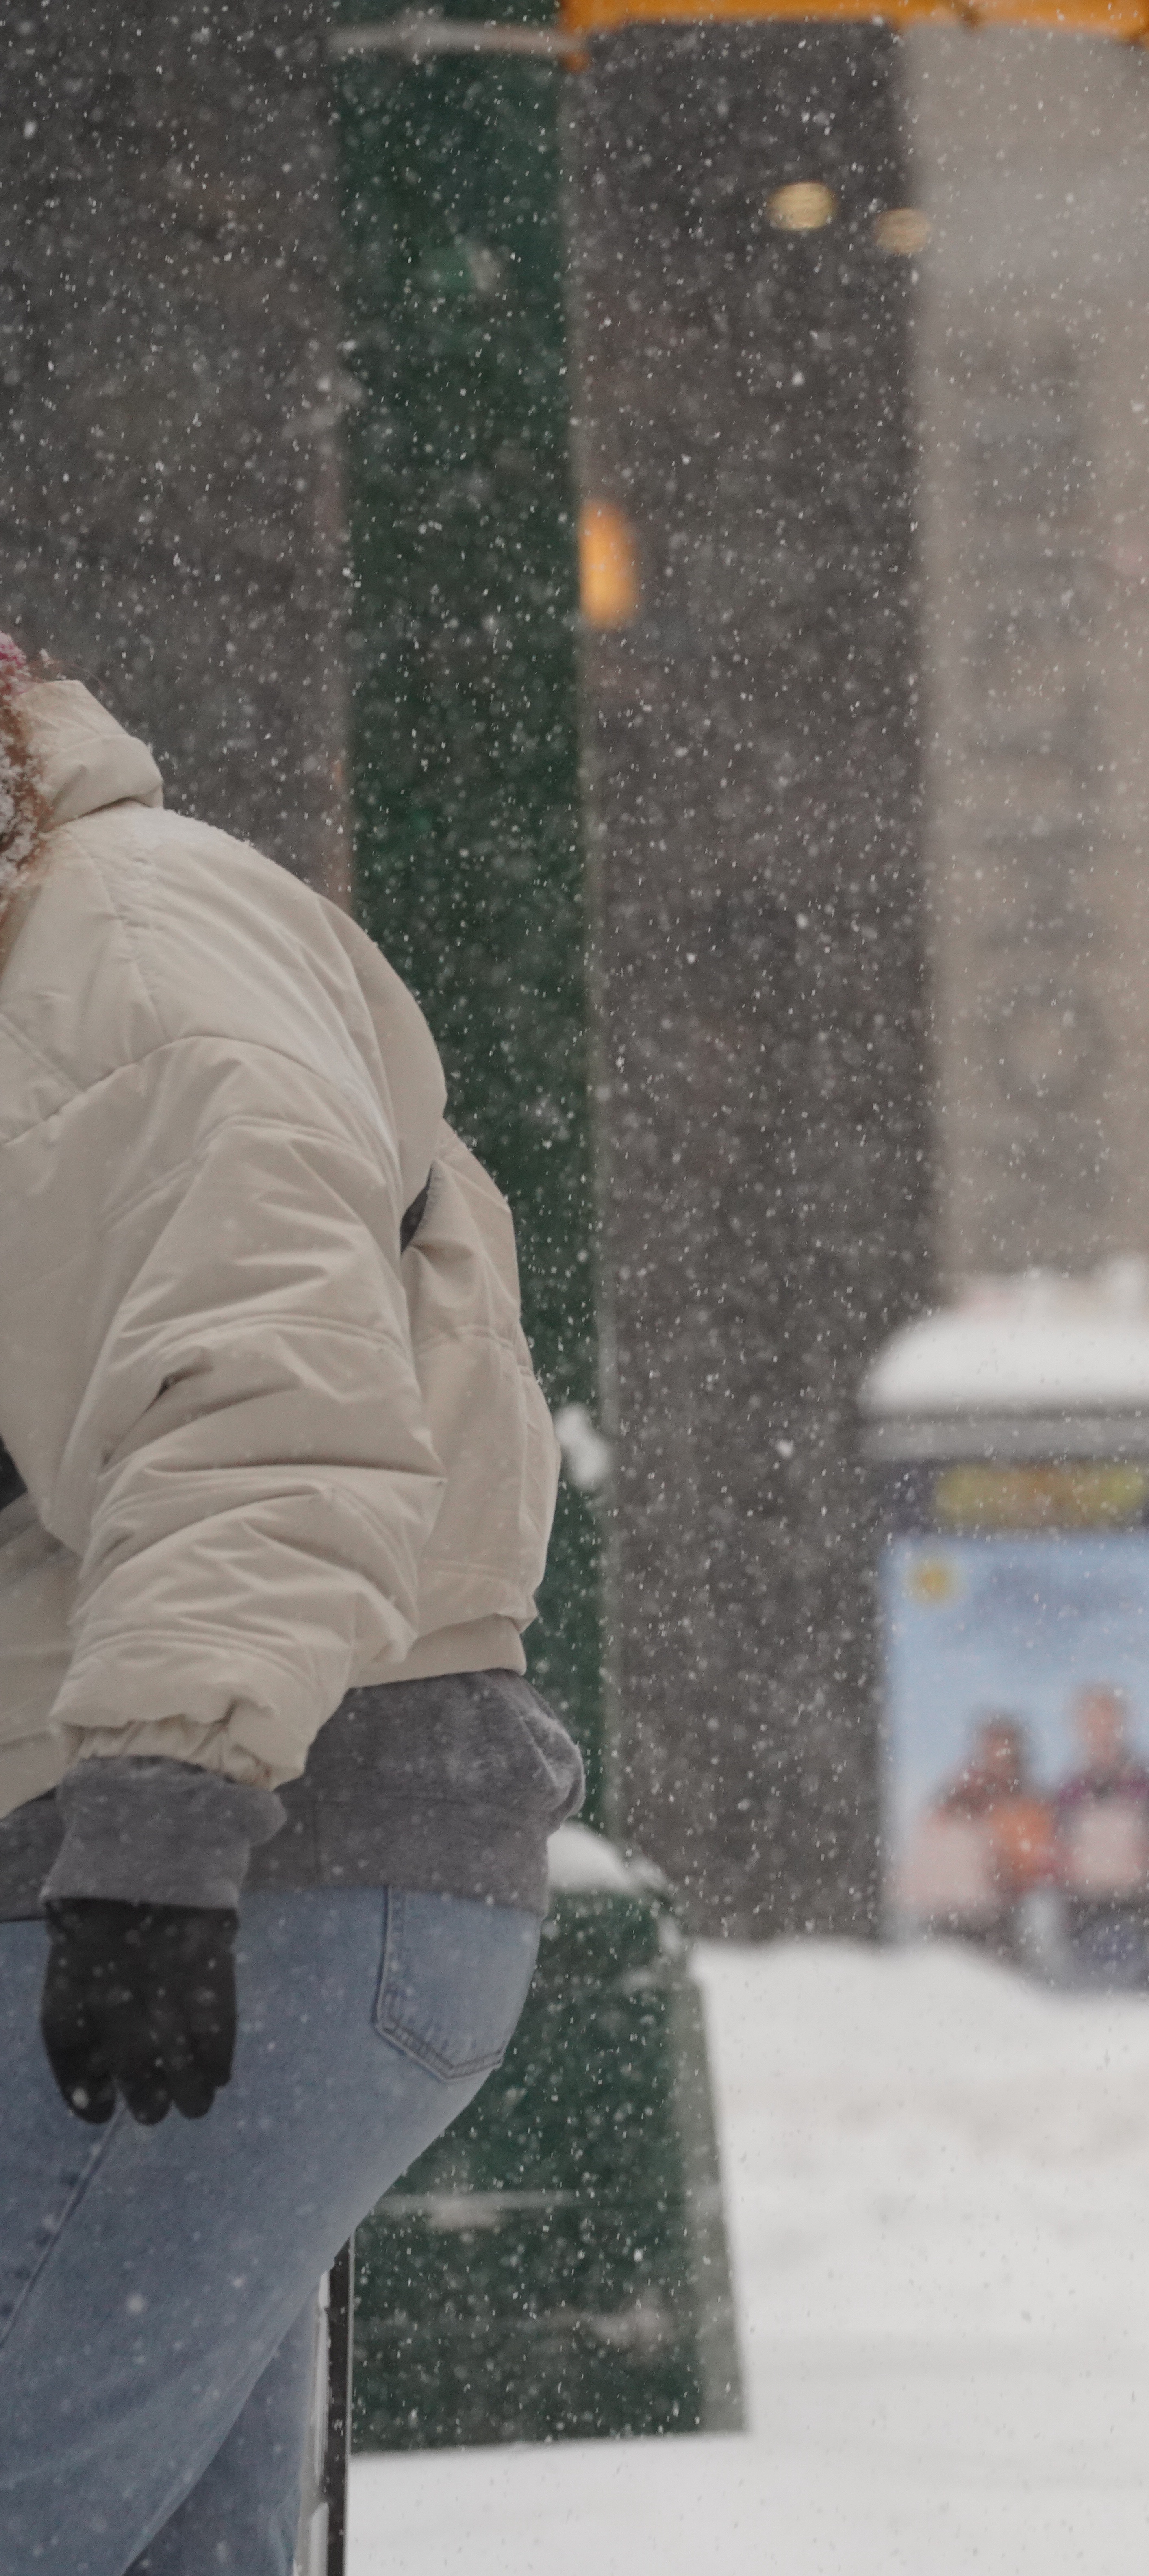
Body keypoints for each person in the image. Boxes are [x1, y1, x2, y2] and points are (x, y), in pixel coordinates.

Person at [0, 639, 582, 2573]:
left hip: (231, 1873)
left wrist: (166, 1818)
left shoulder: (130, 959)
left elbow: (264, 1410)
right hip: (208, 1880)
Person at [1049, 1684, 1149, 1986]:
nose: (1099, 1730)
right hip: (1082, 1908)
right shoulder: (1068, 1791)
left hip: (1139, 1906)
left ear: (1122, 1723)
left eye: (1106, 1720)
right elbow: (1052, 1850)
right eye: (1091, 1721)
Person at [905, 1714, 1054, 1965]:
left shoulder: (1031, 1805)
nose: (999, 1761)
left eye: (1005, 1751)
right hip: (948, 1912)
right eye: (992, 1751)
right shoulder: (957, 1798)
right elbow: (931, 1849)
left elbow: (1034, 1864)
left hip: (1002, 1916)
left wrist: (1002, 1867)